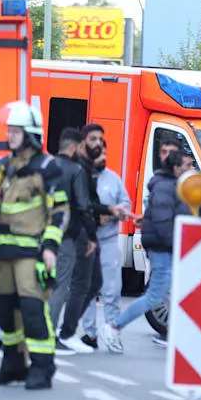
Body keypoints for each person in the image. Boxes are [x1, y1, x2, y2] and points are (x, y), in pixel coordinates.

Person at [0, 101, 69, 390]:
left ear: (31, 134)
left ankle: (42, 368)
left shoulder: (47, 168)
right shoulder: (3, 166)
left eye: (16, 131)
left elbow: (59, 211)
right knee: (5, 311)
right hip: (3, 251)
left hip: (30, 253)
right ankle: (12, 364)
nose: (10, 136)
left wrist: (50, 247)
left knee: (33, 311)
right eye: (9, 130)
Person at [98, 143, 194, 354]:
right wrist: (177, 244)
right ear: (176, 168)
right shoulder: (167, 187)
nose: (191, 169)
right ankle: (114, 326)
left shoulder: (173, 186)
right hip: (162, 249)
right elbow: (162, 220)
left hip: (165, 248)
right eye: (187, 165)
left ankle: (177, 334)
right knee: (154, 296)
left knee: (174, 293)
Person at [78, 138, 132, 351]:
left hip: (108, 242)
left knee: (112, 290)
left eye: (104, 154)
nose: (102, 158)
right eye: (98, 154)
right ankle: (89, 334)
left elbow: (126, 204)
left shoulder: (114, 179)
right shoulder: (82, 178)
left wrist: (113, 214)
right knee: (87, 290)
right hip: (88, 242)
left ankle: (113, 332)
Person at [47, 128, 97, 352]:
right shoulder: (76, 170)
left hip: (39, 234)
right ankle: (48, 336)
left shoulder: (45, 165)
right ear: (74, 147)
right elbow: (83, 205)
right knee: (60, 286)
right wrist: (91, 236)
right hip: (64, 236)